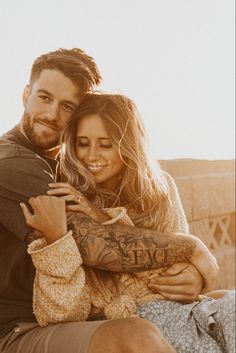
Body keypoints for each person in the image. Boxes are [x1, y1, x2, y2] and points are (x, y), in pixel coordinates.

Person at [0, 48, 217, 353]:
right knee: (134, 336)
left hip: (72, 316)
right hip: (18, 327)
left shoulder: (65, 168)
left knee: (222, 305)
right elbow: (95, 244)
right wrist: (192, 249)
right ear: (26, 94)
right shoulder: (10, 163)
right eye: (44, 98)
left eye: (66, 106)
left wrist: (193, 276)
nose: (51, 114)